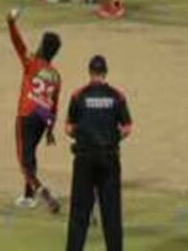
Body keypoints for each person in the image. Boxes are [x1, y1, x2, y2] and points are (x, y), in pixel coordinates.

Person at [65, 55, 132, 251]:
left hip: (84, 159)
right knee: (112, 213)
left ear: (90, 72)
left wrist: (81, 135)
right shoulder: (117, 96)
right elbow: (127, 128)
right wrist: (113, 138)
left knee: (79, 213)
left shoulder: (78, 96)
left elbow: (68, 128)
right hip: (109, 158)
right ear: (105, 72)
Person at [6, 8, 62, 213]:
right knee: (31, 154)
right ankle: (28, 196)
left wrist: (10, 23)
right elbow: (54, 105)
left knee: (24, 161)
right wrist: (50, 130)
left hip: (27, 113)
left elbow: (18, 44)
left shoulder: (31, 62)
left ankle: (41, 191)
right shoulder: (55, 76)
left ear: (42, 47)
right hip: (42, 117)